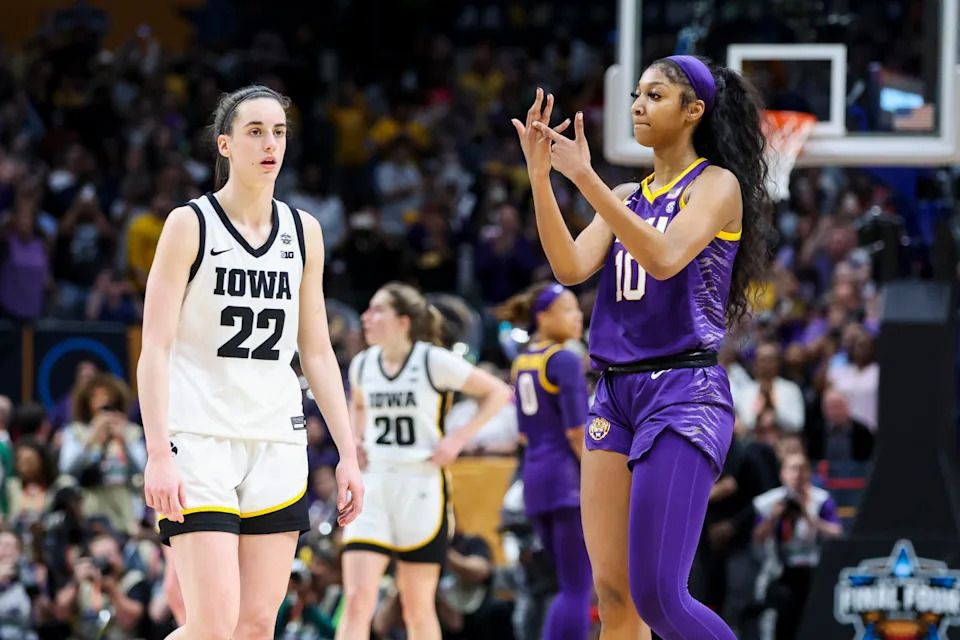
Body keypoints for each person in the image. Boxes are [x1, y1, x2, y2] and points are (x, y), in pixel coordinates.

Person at [512, 53, 772, 640]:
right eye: (637, 94)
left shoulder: (716, 185)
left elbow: (663, 256)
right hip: (615, 391)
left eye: (655, 95)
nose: (637, 105)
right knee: (614, 597)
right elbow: (570, 267)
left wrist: (585, 179)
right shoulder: (628, 192)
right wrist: (541, 178)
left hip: (683, 391)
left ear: (693, 111)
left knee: (659, 596)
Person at [138, 85, 364, 640]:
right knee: (213, 626)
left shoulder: (304, 232)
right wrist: (158, 452)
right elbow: (154, 349)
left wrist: (348, 453)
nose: (270, 144)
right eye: (255, 131)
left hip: (276, 440)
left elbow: (317, 351)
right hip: (199, 438)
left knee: (257, 625)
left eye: (279, 132)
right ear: (225, 145)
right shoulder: (189, 224)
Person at [336, 282, 511, 640]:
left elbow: (497, 391)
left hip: (421, 484)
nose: (366, 317)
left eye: (377, 310)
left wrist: (458, 439)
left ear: (403, 321)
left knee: (417, 606)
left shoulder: (432, 360)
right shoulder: (363, 364)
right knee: (355, 602)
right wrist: (354, 440)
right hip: (374, 485)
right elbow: (359, 404)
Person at [494, 281, 593, 640]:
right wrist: (597, 479)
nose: (578, 316)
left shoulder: (522, 361)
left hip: (535, 480)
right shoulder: (564, 360)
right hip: (567, 482)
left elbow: (523, 434)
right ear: (543, 317)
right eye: (568, 309)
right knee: (578, 588)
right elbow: (577, 432)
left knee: (565, 586)